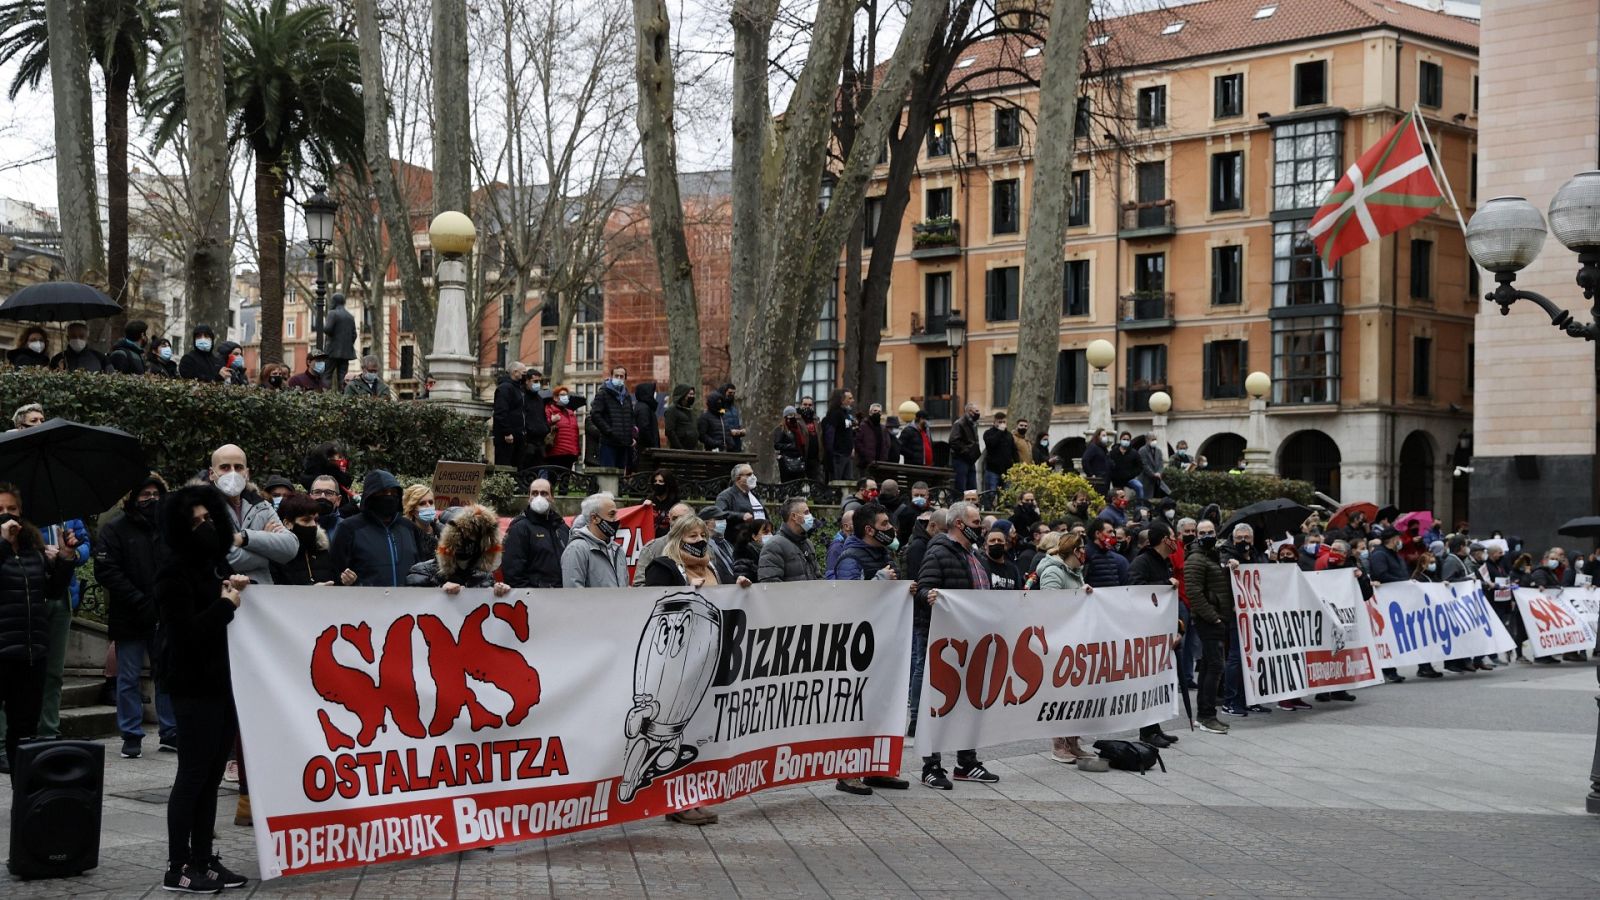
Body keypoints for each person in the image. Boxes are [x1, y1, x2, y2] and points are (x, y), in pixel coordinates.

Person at [157, 483, 252, 893]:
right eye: (195, 521)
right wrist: (227, 604)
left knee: (212, 775)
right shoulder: (172, 571)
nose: (205, 526)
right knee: (193, 774)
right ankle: (177, 865)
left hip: (222, 683)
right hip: (192, 685)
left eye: (209, 518)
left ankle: (203, 859)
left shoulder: (214, 569)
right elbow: (187, 634)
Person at [640, 514, 728, 827]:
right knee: (674, 734)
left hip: (708, 660)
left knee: (699, 734)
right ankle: (672, 800)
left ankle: (692, 795)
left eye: (702, 535)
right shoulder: (663, 567)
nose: (699, 541)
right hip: (674, 666)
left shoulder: (715, 566)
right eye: (691, 536)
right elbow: (655, 605)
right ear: (677, 539)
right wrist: (686, 591)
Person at [913, 501, 1000, 789]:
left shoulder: (975, 555)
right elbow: (922, 589)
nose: (981, 529)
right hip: (944, 642)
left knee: (970, 701)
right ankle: (932, 766)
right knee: (938, 702)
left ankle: (966, 762)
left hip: (972, 640)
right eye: (976, 523)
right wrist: (929, 596)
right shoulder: (938, 553)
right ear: (960, 524)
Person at [823, 501, 908, 795]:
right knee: (855, 708)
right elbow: (848, 600)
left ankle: (877, 768)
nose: (891, 529)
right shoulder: (851, 557)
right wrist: (877, 581)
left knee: (882, 706)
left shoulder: (883, 552)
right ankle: (847, 773)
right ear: (870, 529)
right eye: (885, 525)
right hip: (858, 647)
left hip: (883, 642)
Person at [97, 474, 179, 758]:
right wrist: (138, 599)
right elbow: (107, 570)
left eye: (156, 494)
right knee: (128, 677)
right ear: (133, 497)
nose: (151, 500)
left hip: (164, 614)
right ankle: (131, 734)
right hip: (129, 616)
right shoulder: (115, 528)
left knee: (166, 675)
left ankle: (170, 732)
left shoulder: (171, 528)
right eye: (145, 494)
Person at [0, 482, 75, 773]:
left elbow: (53, 592)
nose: (7, 515)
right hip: (2, 651)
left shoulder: (33, 548)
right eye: (1, 510)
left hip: (31, 653)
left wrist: (66, 561)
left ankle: (24, 802)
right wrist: (3, 544)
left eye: (12, 509)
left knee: (24, 731)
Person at [1034, 534, 1097, 764]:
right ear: (1073, 550)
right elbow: (1050, 607)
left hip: (1075, 641)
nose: (1084, 553)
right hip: (1058, 642)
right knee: (1059, 694)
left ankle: (1072, 742)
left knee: (1074, 693)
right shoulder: (1053, 572)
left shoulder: (1076, 573)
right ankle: (1058, 744)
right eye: (1081, 548)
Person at [1126, 522, 1184, 744]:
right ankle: (1146, 732)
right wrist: (1163, 584)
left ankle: (1155, 726)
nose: (1175, 541)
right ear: (1162, 539)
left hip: (1160, 629)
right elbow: (1134, 589)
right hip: (1144, 630)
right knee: (1147, 681)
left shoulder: (1164, 561)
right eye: (1171, 536)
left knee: (1158, 681)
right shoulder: (1142, 562)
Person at [208, 444, 297, 585]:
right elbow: (218, 558)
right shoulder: (202, 509)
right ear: (212, 473)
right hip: (220, 596)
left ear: (247, 473)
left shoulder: (262, 506)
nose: (232, 473)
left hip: (261, 599)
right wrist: (267, 551)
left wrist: (245, 538)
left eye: (238, 467)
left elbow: (290, 547)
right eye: (225, 467)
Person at [329, 470, 427, 587]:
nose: (389, 497)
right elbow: (334, 572)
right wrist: (344, 581)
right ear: (370, 496)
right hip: (366, 603)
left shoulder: (409, 528)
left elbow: (422, 570)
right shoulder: (349, 528)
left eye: (393, 492)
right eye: (383, 493)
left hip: (406, 603)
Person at [1184, 518, 1234, 735]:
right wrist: (1213, 617)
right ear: (1196, 535)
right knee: (1214, 666)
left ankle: (1204, 713)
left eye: (1210, 532)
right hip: (1209, 620)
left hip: (1215, 618)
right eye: (1203, 532)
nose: (1207, 536)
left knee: (1208, 666)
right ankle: (1206, 715)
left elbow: (1214, 584)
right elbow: (1194, 593)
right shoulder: (1196, 558)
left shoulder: (1211, 556)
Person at [406, 506, 514, 596]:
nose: (471, 538)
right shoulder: (422, 573)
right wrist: (439, 592)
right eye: (465, 533)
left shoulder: (485, 578)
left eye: (476, 534)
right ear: (451, 539)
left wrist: (501, 596)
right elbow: (410, 609)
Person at [503, 478, 570, 589]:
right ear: (529, 498)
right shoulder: (519, 528)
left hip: (563, 595)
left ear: (552, 498)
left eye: (544, 493)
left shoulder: (561, 527)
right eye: (534, 493)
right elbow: (513, 573)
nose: (539, 497)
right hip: (535, 599)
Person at [271, 492, 342, 586]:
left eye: (315, 520)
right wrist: (310, 591)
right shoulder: (276, 556)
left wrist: (344, 582)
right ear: (288, 524)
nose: (313, 525)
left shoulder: (322, 552)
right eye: (306, 520)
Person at [560, 493, 627, 588]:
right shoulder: (576, 549)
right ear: (594, 518)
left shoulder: (617, 550)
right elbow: (573, 596)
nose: (616, 519)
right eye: (611, 514)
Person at [632, 502, 696, 586]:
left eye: (683, 518)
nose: (679, 522)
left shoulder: (705, 548)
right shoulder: (652, 549)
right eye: (675, 518)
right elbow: (639, 585)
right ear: (669, 520)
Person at [757, 497, 820, 583]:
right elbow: (770, 584)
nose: (811, 516)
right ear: (794, 516)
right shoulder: (774, 546)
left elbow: (818, 577)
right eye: (806, 512)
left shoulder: (807, 543)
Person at [591, 365, 636, 469]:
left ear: (625, 378)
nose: (619, 378)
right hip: (609, 443)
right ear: (611, 376)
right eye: (617, 376)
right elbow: (595, 414)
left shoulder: (627, 396)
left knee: (620, 477)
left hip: (624, 443)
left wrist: (632, 434)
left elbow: (631, 416)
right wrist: (609, 431)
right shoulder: (602, 393)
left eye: (622, 376)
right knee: (608, 475)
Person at [492, 362, 531, 468]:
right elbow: (500, 412)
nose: (525, 375)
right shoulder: (505, 388)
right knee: (505, 467)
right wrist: (507, 432)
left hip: (518, 436)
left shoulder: (518, 389)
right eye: (524, 373)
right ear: (515, 372)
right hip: (507, 437)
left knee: (517, 468)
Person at [322, 291, 358, 386]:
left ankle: (326, 396)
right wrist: (347, 344)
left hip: (332, 350)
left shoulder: (332, 313)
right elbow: (354, 335)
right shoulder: (350, 316)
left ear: (334, 302)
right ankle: (343, 396)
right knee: (343, 376)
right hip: (346, 352)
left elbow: (327, 329)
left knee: (326, 374)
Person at [545, 385, 584, 470]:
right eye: (562, 395)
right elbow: (543, 426)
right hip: (556, 453)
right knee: (554, 479)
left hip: (570, 452)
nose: (565, 397)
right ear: (555, 398)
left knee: (565, 479)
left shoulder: (570, 412)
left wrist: (577, 451)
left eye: (566, 395)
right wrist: (551, 420)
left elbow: (575, 433)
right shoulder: (549, 410)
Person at [774, 405, 817, 482]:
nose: (792, 417)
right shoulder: (781, 429)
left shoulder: (799, 427)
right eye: (790, 415)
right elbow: (777, 445)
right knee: (787, 482)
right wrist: (791, 446)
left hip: (799, 459)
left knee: (798, 482)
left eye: (794, 414)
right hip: (787, 460)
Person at [821, 389, 856, 480]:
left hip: (847, 455)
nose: (852, 401)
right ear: (842, 400)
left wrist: (851, 447)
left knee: (848, 482)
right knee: (836, 483)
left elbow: (848, 433)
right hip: (838, 456)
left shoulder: (846, 415)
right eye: (850, 398)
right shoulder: (834, 414)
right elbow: (829, 436)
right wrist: (831, 453)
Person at [852, 402, 895, 473]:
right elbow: (858, 442)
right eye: (875, 411)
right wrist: (866, 455)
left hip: (880, 464)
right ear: (870, 412)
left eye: (879, 411)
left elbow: (887, 444)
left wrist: (884, 458)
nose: (877, 413)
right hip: (865, 464)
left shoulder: (883, 428)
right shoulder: (863, 426)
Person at [948, 403, 981, 493]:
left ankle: (971, 505)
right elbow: (953, 441)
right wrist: (967, 451)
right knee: (960, 487)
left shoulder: (973, 424)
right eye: (977, 411)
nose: (979, 413)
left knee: (972, 488)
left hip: (970, 460)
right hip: (961, 460)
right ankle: (959, 505)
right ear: (970, 411)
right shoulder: (960, 424)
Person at [981, 412, 1017, 491]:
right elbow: (991, 443)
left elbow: (1014, 450)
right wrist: (1000, 431)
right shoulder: (988, 433)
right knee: (991, 493)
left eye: (1003, 422)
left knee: (1007, 495)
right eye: (999, 422)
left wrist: (1016, 465)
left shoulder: (1009, 435)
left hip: (1007, 471)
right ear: (994, 423)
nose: (1002, 424)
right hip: (993, 470)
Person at [402, 485, 440, 555]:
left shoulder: (443, 531)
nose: (428, 506)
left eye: (431, 502)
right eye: (422, 503)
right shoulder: (406, 537)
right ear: (412, 510)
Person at [796, 396, 824, 480]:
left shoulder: (816, 419)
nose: (807, 407)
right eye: (805, 404)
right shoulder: (796, 419)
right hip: (802, 457)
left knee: (817, 481)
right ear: (800, 405)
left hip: (815, 458)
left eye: (809, 405)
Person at [663, 384, 699, 450]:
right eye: (690, 394)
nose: (692, 396)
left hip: (692, 450)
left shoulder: (691, 411)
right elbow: (670, 431)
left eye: (693, 394)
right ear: (683, 395)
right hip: (679, 450)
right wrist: (680, 448)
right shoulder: (672, 410)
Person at [1108, 431, 1143, 498]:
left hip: (1129, 479)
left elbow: (1140, 466)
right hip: (1117, 481)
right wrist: (1113, 475)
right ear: (1120, 440)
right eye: (1124, 439)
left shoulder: (1134, 453)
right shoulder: (1113, 452)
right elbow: (1109, 465)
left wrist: (1132, 474)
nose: (1126, 441)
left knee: (1139, 486)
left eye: (1127, 440)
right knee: (1118, 496)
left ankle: (1139, 505)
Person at [646, 470, 681, 534]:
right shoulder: (647, 501)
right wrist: (643, 508)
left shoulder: (676, 503)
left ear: (668, 484)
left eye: (661, 481)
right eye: (655, 481)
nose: (657, 484)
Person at [714, 382, 747, 452]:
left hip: (736, 445)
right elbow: (715, 428)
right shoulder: (718, 408)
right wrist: (729, 432)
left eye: (733, 393)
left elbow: (737, 424)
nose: (732, 395)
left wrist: (741, 431)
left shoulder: (734, 409)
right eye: (730, 393)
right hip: (723, 445)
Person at [633, 380, 661, 459]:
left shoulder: (644, 406)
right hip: (646, 450)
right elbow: (644, 428)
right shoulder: (644, 408)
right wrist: (652, 443)